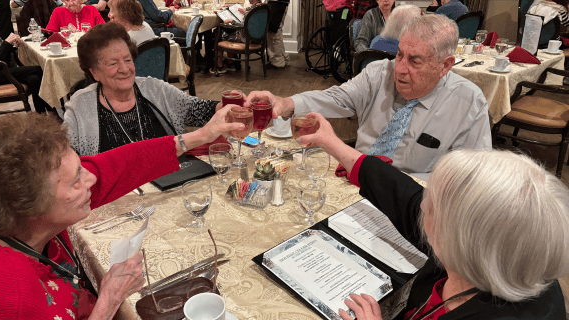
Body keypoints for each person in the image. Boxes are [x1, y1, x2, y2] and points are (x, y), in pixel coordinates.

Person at [0, 108, 243, 318]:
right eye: (76, 179)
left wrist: (201, 135)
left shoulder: (21, 212)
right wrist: (108, 302)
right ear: (30, 206)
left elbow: (116, 166)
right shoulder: (7, 294)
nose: (90, 178)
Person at [299, 112, 569, 320]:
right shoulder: (505, 253)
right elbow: (403, 195)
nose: (424, 203)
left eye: (435, 204)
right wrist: (331, 143)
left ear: (462, 242)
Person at [247, 14, 491, 176]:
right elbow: (336, 98)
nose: (401, 69)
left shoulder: (468, 103)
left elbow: (472, 178)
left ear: (445, 65)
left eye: (415, 61)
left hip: (413, 201)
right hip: (352, 180)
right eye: (399, 55)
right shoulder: (379, 73)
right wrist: (286, 102)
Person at [66, 22, 220, 156]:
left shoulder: (155, 89)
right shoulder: (80, 107)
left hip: (171, 183)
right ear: (94, 72)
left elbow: (199, 110)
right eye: (113, 64)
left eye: (128, 60)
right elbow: (66, 161)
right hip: (117, 189)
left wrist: (225, 106)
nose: (125, 69)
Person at [0, 0, 55, 114]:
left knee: (34, 79)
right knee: (38, 69)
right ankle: (52, 112)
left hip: (0, 69)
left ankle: (42, 116)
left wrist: (12, 44)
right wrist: (7, 44)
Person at [215, 0, 261, 73]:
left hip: (247, 39)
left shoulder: (252, 10)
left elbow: (244, 29)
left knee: (219, 34)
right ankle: (230, 64)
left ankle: (219, 66)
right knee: (229, 33)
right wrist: (245, 13)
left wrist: (231, 21)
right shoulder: (261, 8)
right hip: (258, 39)